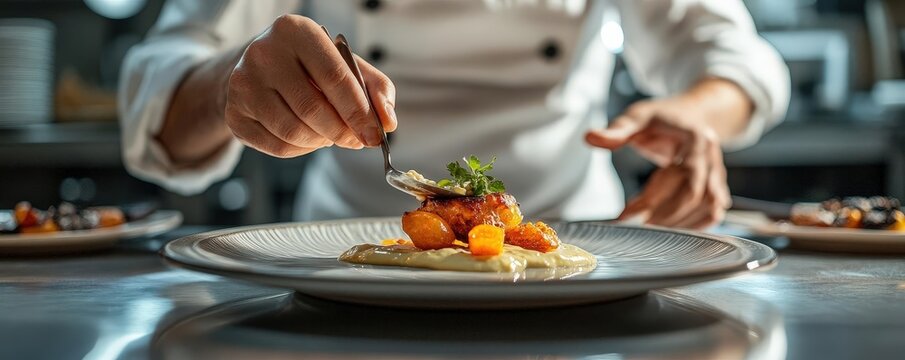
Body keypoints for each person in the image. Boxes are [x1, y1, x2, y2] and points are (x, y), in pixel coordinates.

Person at [119, 0, 789, 229]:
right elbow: (162, 76)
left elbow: (733, 57)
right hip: (340, 269)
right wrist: (226, 86)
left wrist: (696, 114)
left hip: (578, 256)